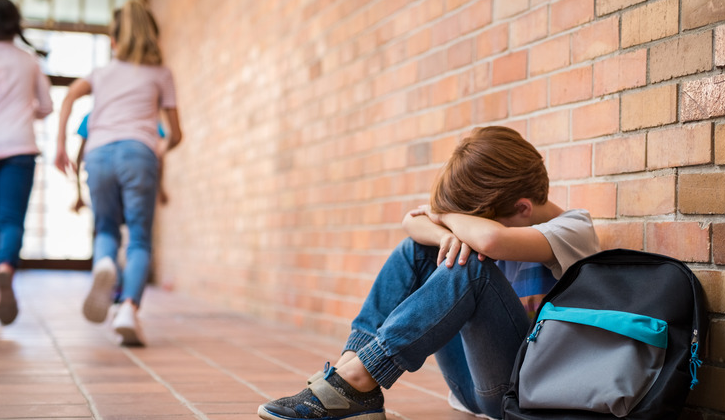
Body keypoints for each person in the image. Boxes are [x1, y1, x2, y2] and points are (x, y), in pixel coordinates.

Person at [257, 126, 601, 420]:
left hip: (521, 392)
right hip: (471, 385)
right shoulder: (499, 222)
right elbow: (412, 221)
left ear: (523, 208)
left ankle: (359, 378)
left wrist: (447, 220)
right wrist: (445, 233)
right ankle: (352, 379)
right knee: (419, 250)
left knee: (471, 266)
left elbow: (491, 238)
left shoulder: (574, 228)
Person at [54, 0, 182, 346]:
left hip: (97, 153)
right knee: (139, 237)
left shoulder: (101, 73)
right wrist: (158, 149)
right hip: (138, 151)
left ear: (114, 39)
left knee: (106, 228)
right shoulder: (161, 73)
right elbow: (175, 134)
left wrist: (61, 146)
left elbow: (68, 98)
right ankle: (127, 308)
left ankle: (104, 264)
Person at [0, 0, 53, 325]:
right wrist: (23, 109)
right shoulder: (28, 61)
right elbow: (46, 106)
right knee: (11, 220)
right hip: (19, 148)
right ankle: (5, 266)